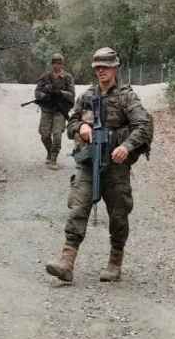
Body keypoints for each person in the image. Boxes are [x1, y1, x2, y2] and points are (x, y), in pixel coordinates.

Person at [45, 47, 153, 283]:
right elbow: (71, 122)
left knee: (118, 215)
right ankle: (66, 262)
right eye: (97, 67)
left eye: (106, 66)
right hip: (88, 161)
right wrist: (81, 128)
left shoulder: (126, 96)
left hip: (115, 167)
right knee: (77, 207)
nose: (101, 71)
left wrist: (126, 146)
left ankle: (115, 262)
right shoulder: (87, 96)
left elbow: (143, 125)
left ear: (115, 68)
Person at [34, 53, 75, 169]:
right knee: (44, 134)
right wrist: (44, 94)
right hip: (47, 109)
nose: (57, 66)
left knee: (57, 135)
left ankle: (53, 158)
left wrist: (60, 92)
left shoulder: (68, 77)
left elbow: (72, 95)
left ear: (63, 64)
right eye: (55, 63)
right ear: (52, 64)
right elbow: (37, 92)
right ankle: (49, 151)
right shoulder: (45, 77)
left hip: (60, 110)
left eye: (59, 63)